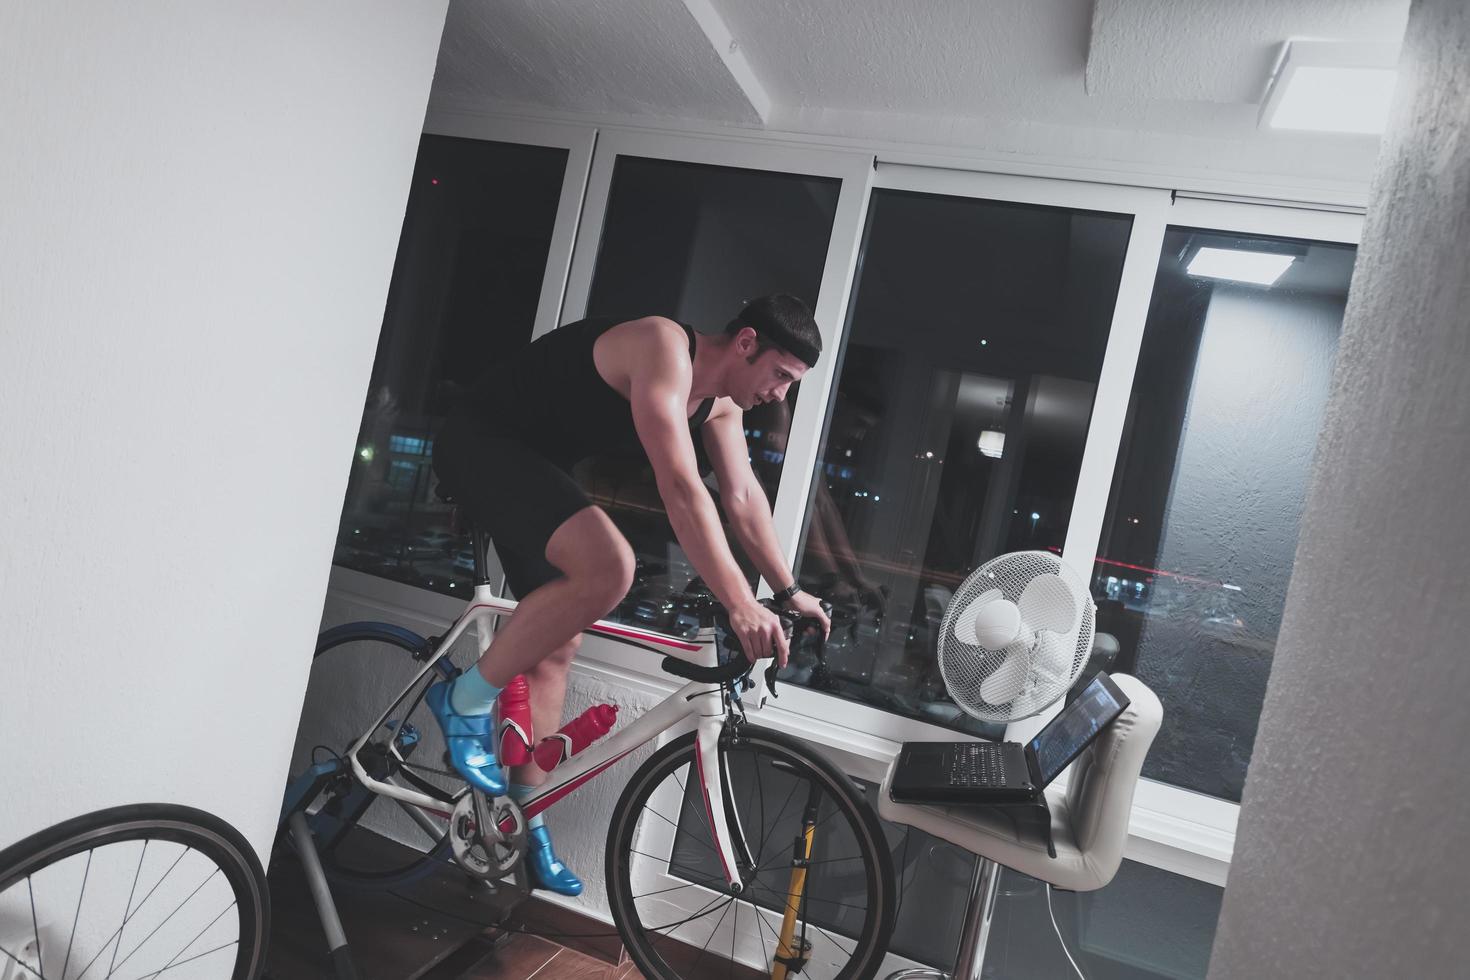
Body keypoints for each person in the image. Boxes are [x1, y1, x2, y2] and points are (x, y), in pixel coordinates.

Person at [428, 294, 832, 895]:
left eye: (791, 385)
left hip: (534, 467)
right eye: (779, 375)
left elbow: (743, 499)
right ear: (746, 343)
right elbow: (679, 484)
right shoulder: (661, 347)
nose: (780, 394)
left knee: (556, 649)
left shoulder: (720, 407)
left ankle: (522, 821)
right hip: (480, 441)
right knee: (610, 567)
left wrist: (788, 590)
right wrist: (739, 603)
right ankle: (463, 698)